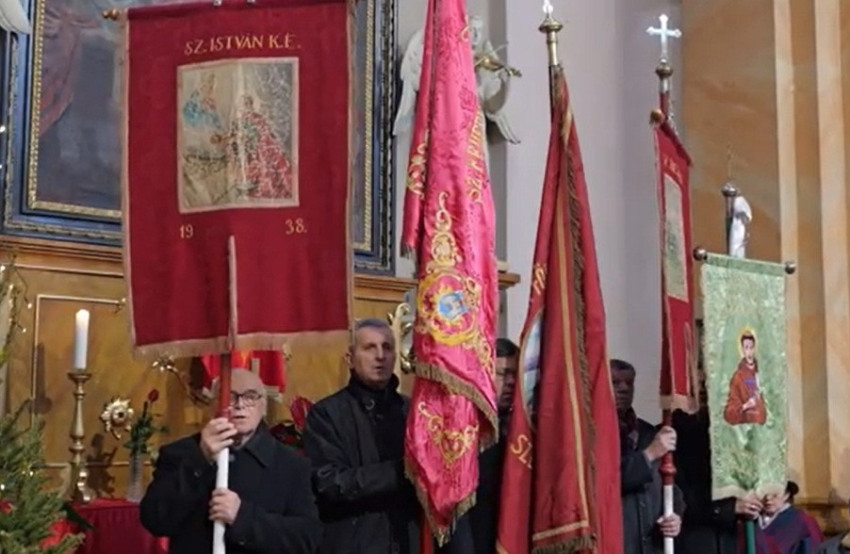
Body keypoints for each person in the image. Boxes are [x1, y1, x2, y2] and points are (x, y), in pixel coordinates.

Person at [139, 368, 320, 554]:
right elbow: (155, 520)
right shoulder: (180, 453)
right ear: (213, 404)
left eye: (250, 396)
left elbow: (306, 538)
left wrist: (242, 517)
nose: (240, 405)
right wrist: (200, 459)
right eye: (230, 397)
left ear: (263, 405)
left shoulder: (290, 464)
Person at [303, 318, 418, 554]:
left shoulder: (413, 412)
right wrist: (402, 471)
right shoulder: (326, 414)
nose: (380, 356)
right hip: (354, 542)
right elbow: (330, 483)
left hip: (407, 540)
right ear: (350, 358)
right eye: (370, 348)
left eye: (387, 347)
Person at [674, 367, 763, 554]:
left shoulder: (734, 431)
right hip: (696, 540)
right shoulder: (678, 431)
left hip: (730, 539)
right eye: (700, 384)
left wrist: (752, 505)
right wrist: (729, 508)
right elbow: (681, 497)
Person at [610, 359, 683, 554]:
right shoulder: (593, 434)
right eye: (615, 383)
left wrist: (675, 516)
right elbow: (606, 482)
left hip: (651, 545)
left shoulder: (649, 433)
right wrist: (649, 454)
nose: (624, 389)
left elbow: (672, 489)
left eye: (629, 383)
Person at [754, 481, 823, 553]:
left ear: (786, 495)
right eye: (763, 493)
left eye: (774, 494)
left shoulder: (804, 521)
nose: (768, 498)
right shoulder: (751, 520)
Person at [723, 331, 766, 425]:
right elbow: (729, 412)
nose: (749, 351)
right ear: (742, 350)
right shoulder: (737, 377)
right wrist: (745, 406)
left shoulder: (762, 372)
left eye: (751, 347)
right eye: (746, 348)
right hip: (747, 422)